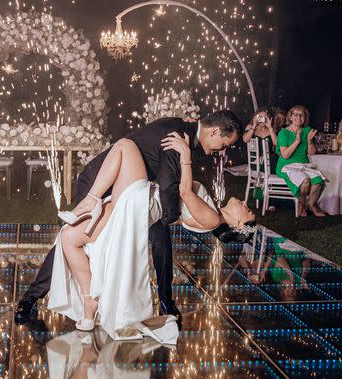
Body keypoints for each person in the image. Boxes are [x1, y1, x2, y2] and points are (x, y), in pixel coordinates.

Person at [15, 110, 243, 327]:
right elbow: (169, 186)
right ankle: (31, 297)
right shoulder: (179, 137)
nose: (223, 151)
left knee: (159, 237)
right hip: (103, 183)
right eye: (225, 144)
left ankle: (165, 301)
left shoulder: (183, 129)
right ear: (213, 132)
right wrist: (172, 217)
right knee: (77, 237)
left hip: (132, 193)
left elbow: (195, 204)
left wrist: (215, 225)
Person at [48, 132, 255, 340]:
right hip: (143, 203)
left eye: (247, 211)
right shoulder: (213, 212)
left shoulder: (212, 219)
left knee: (125, 145)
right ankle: (88, 301)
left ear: (238, 226)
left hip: (144, 205)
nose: (246, 205)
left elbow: (185, 192)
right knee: (68, 238)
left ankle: (91, 200)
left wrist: (185, 155)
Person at [275, 105, 326, 217]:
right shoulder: (284, 133)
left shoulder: (307, 130)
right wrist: (297, 141)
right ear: (291, 117)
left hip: (303, 165)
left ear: (305, 118)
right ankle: (302, 207)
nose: (299, 117)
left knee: (318, 181)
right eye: (296, 114)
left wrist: (309, 141)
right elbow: (285, 155)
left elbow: (312, 152)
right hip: (286, 165)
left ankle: (312, 205)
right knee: (305, 181)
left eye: (302, 115)